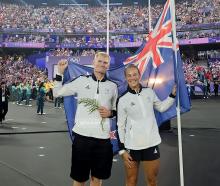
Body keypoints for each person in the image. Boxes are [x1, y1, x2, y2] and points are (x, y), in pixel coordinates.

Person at [53, 52, 118, 186]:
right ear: (93, 63)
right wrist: (59, 73)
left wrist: (110, 113)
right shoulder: (81, 81)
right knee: (79, 179)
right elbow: (57, 93)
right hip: (82, 138)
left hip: (103, 139)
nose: (102, 64)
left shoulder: (113, 87)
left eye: (105, 62)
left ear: (108, 65)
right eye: (99, 61)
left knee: (97, 179)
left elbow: (116, 111)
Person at [117, 64, 176, 186]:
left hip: (151, 144)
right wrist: (122, 150)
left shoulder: (149, 92)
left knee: (152, 181)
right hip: (132, 146)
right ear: (125, 78)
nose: (132, 77)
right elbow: (120, 126)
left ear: (139, 75)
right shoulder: (123, 99)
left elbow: (161, 107)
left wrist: (172, 95)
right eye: (129, 75)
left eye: (135, 74)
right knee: (131, 181)